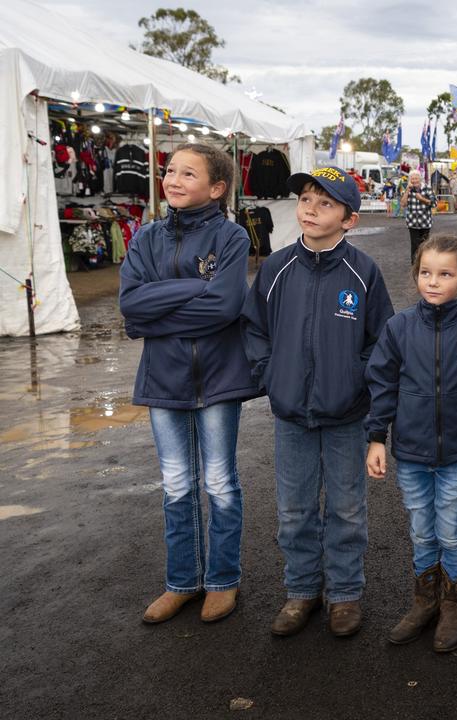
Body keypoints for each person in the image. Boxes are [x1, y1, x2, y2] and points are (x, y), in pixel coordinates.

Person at [241, 166, 394, 638]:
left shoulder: (363, 272)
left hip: (348, 414)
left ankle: (345, 594)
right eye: (306, 199)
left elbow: (382, 342)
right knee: (294, 509)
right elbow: (254, 329)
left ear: (349, 219)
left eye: (325, 203)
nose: (310, 209)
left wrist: (356, 380)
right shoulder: (276, 266)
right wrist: (272, 374)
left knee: (347, 509)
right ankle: (302, 591)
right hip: (291, 415)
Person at [118, 143, 258, 625]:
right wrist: (197, 288)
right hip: (164, 378)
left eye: (187, 174)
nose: (173, 180)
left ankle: (222, 581)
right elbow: (130, 306)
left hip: (220, 378)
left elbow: (224, 307)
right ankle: (181, 582)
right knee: (177, 485)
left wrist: (159, 308)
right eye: (170, 171)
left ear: (217, 187)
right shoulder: (146, 237)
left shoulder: (233, 236)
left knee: (219, 482)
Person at [364, 234, 457, 650]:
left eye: (445, 273)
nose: (433, 281)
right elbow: (382, 384)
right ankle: (424, 600)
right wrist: (376, 438)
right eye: (426, 272)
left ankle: (452, 607)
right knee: (422, 531)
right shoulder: (399, 327)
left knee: (453, 531)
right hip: (410, 452)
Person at [401, 170, 434, 261]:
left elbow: (434, 203)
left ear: (420, 179)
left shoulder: (427, 188)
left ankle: (424, 262)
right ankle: (415, 265)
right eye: (412, 179)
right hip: (412, 222)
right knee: (414, 245)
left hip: (425, 222)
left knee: (425, 245)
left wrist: (422, 199)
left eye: (416, 178)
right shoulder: (408, 189)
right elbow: (403, 204)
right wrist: (407, 191)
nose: (414, 181)